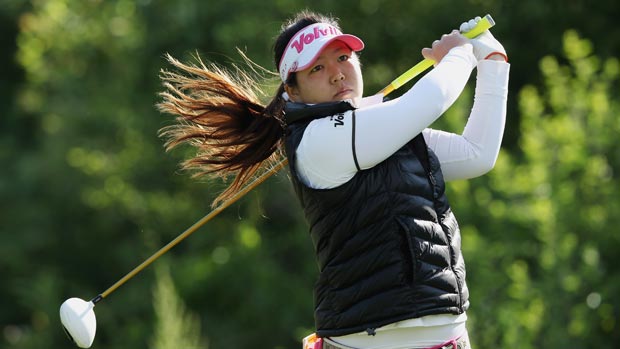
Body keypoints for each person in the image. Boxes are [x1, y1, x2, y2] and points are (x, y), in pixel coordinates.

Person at [157, 10, 509, 349]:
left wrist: (492, 60)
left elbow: (477, 153)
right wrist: (460, 53)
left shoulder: (382, 125)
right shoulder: (317, 140)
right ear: (292, 92)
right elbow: (429, 100)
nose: (337, 74)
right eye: (317, 69)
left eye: (343, 58)